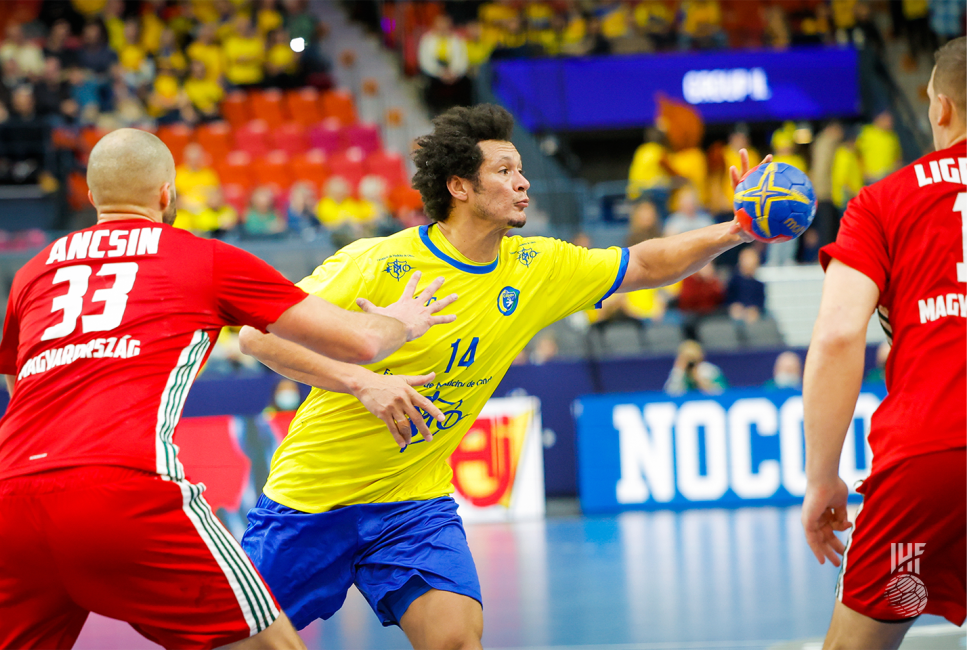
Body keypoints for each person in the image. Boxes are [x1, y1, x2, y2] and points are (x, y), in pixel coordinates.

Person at [237, 103, 763, 649]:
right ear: (460, 186)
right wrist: (362, 380)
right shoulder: (375, 261)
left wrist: (734, 230)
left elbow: (646, 264)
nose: (524, 183)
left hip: (413, 504)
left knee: (458, 640)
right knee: (240, 642)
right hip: (310, 500)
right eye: (505, 171)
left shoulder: (536, 267)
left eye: (521, 170)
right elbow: (257, 335)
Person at [0, 128, 458, 648]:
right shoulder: (202, 259)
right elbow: (360, 341)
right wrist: (403, 320)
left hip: (7, 499)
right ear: (167, 194)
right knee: (272, 645)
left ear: (93, 194)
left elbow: (18, 388)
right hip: (123, 490)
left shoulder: (33, 272)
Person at [802, 37, 967, 649]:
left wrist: (823, 477)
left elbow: (841, 334)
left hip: (930, 460)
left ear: (940, 108)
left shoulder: (883, 201)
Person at [727, 246, 766, 323]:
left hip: (752, 312)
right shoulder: (735, 280)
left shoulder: (759, 284)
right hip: (736, 310)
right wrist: (733, 306)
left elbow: (761, 302)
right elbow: (728, 297)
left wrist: (755, 309)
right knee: (736, 313)